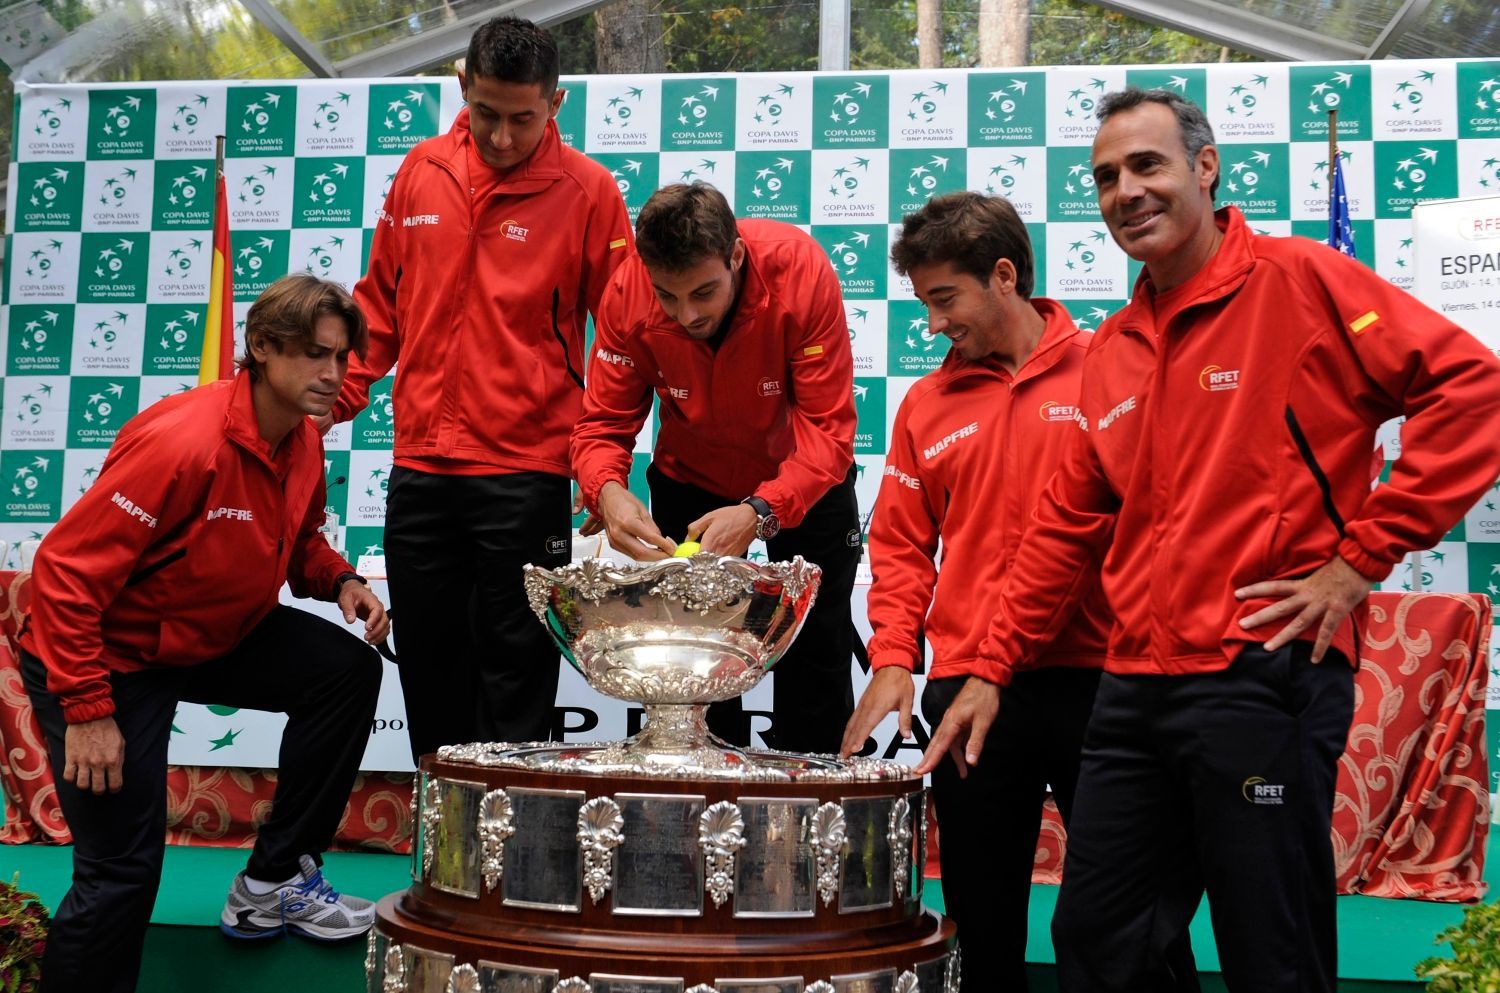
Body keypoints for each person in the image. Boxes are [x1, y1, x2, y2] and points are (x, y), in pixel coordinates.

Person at [919, 88, 1500, 993]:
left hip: (1259, 674)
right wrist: (991, 667)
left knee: (1271, 949)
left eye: (1146, 165)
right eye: (1106, 176)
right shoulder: (1111, 344)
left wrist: (1359, 561)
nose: (1126, 191)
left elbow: (1472, 391)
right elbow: (1063, 531)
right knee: (1099, 942)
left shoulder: (1302, 281)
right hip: (1131, 690)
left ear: (1205, 166)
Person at [17, 274, 390, 993]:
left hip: (204, 632)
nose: (333, 374)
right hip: (105, 653)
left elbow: (297, 540)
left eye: (341, 358)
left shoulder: (304, 439)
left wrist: (340, 579)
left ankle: (275, 878)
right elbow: (63, 574)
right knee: (121, 868)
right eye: (315, 354)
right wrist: (88, 708)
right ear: (260, 347)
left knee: (345, 670)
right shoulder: (183, 441)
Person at [324, 16, 633, 761]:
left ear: (556, 103)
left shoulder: (588, 192)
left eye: (522, 118)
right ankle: (443, 863)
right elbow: (381, 312)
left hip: (525, 475)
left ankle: (509, 867)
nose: (500, 136)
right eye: (485, 113)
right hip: (423, 471)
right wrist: (323, 404)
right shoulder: (420, 170)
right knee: (429, 672)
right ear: (462, 86)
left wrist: (601, 472)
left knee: (517, 675)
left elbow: (624, 344)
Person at [839, 191, 1113, 991]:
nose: (932, 323)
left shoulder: (1107, 367)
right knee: (979, 918)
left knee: (1114, 916)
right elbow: (898, 544)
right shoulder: (926, 403)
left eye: (944, 299)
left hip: (1098, 676)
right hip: (966, 689)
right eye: (924, 302)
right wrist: (894, 655)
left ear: (1003, 275)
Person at [571, 182, 860, 753]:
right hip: (690, 479)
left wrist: (761, 510)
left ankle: (812, 822)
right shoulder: (627, 290)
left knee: (816, 656)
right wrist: (604, 487)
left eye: (704, 292)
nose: (687, 314)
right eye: (669, 297)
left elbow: (829, 432)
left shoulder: (799, 269)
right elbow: (601, 424)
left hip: (803, 479)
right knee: (688, 666)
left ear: (736, 256)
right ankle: (695, 820)